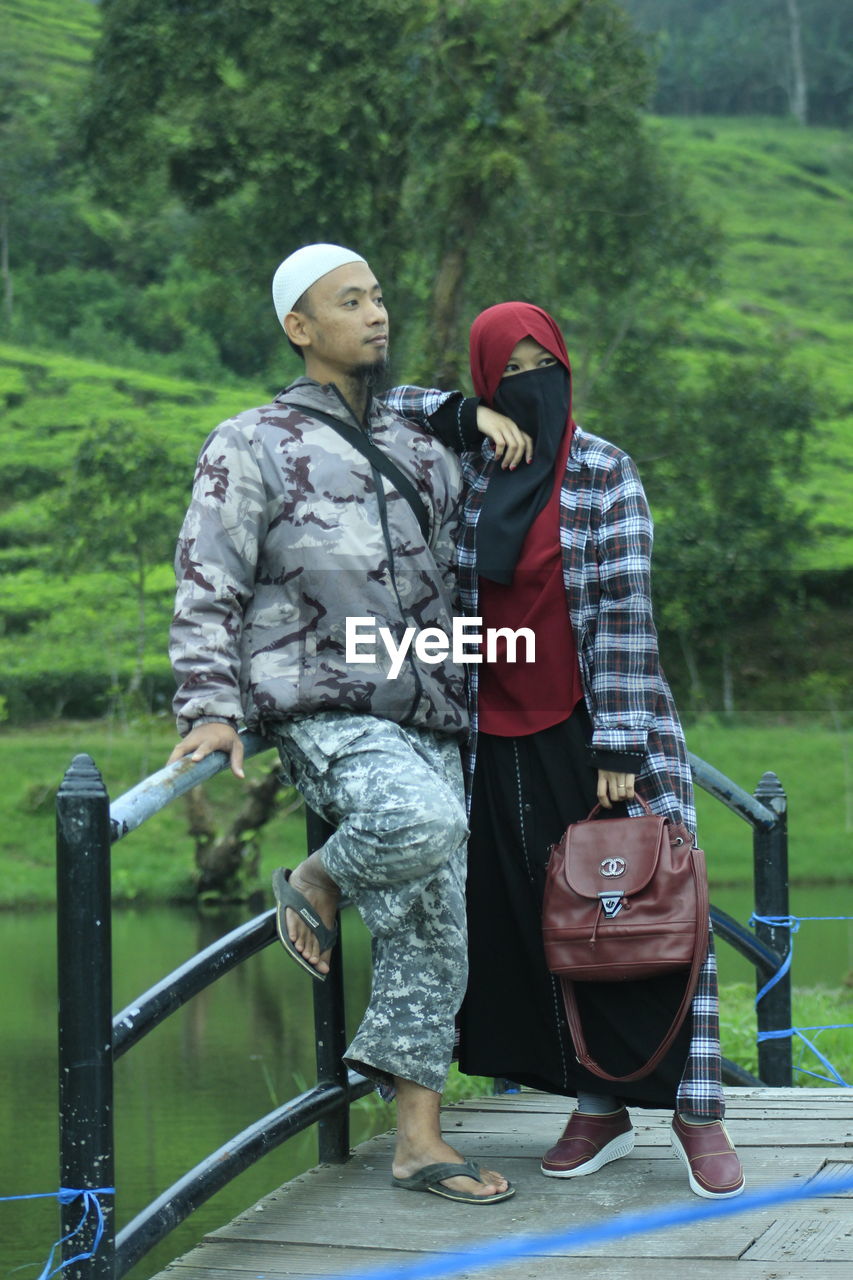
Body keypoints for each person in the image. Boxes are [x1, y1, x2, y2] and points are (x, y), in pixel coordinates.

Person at [167, 244, 519, 1204]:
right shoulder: (251, 443)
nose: (376, 314)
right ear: (299, 327)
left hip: (433, 707)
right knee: (419, 824)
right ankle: (315, 882)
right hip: (325, 701)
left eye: (377, 296)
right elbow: (209, 578)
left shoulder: (422, 446)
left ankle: (417, 1140)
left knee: (434, 925)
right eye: (348, 301)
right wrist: (208, 706)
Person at [385, 301, 745, 1200]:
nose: (528, 385)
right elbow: (375, 406)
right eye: (507, 372)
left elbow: (625, 610)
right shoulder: (463, 466)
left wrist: (617, 739)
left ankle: (697, 1114)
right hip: (490, 738)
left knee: (643, 915)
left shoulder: (600, 471)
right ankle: (597, 1106)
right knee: (543, 926)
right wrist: (467, 418)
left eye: (542, 364)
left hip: (592, 729)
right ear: (482, 383)